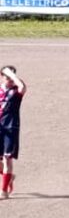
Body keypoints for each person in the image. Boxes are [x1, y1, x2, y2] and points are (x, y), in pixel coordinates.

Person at [0, 66, 24, 199]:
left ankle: (3, 191)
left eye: (11, 77)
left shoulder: (16, 91)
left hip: (10, 128)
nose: (9, 79)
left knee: (7, 159)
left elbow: (22, 86)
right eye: (7, 76)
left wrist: (12, 75)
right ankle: (9, 177)